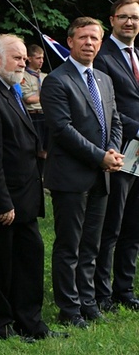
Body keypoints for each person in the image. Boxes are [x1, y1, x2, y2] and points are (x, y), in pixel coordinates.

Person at [0, 34, 61, 341]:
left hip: (24, 198)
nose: (24, 62)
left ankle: (29, 323)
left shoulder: (9, 91)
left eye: (23, 58)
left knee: (29, 260)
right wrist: (2, 202)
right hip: (1, 202)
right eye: (17, 58)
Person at [41, 17, 124, 329]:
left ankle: (88, 303)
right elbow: (62, 130)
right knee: (69, 245)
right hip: (71, 176)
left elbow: (114, 120)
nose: (89, 43)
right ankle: (69, 308)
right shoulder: (56, 81)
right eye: (84, 37)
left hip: (102, 173)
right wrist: (100, 156)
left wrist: (113, 153)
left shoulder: (103, 78)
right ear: (71, 41)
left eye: (95, 38)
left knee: (92, 244)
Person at [93, 0, 139, 313]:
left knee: (135, 225)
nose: (130, 23)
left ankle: (125, 288)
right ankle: (102, 293)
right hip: (118, 150)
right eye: (124, 17)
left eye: (135, 18)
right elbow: (109, 106)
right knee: (113, 225)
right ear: (112, 20)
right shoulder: (102, 56)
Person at [21, 44, 49, 174]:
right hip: (32, 115)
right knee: (34, 148)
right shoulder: (23, 76)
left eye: (42, 58)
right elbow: (28, 98)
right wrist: (46, 97)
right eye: (38, 58)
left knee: (45, 149)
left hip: (46, 115)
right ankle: (32, 174)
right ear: (29, 59)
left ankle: (43, 176)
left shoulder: (45, 77)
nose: (41, 61)